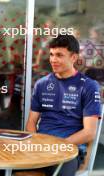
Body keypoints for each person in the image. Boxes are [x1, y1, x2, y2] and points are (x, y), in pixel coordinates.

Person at [26, 35, 101, 176]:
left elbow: (89, 132)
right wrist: (36, 144)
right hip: (40, 147)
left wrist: (57, 146)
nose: (53, 60)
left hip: (70, 150)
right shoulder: (42, 84)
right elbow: (31, 122)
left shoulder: (88, 86)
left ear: (74, 58)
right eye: (52, 55)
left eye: (59, 55)